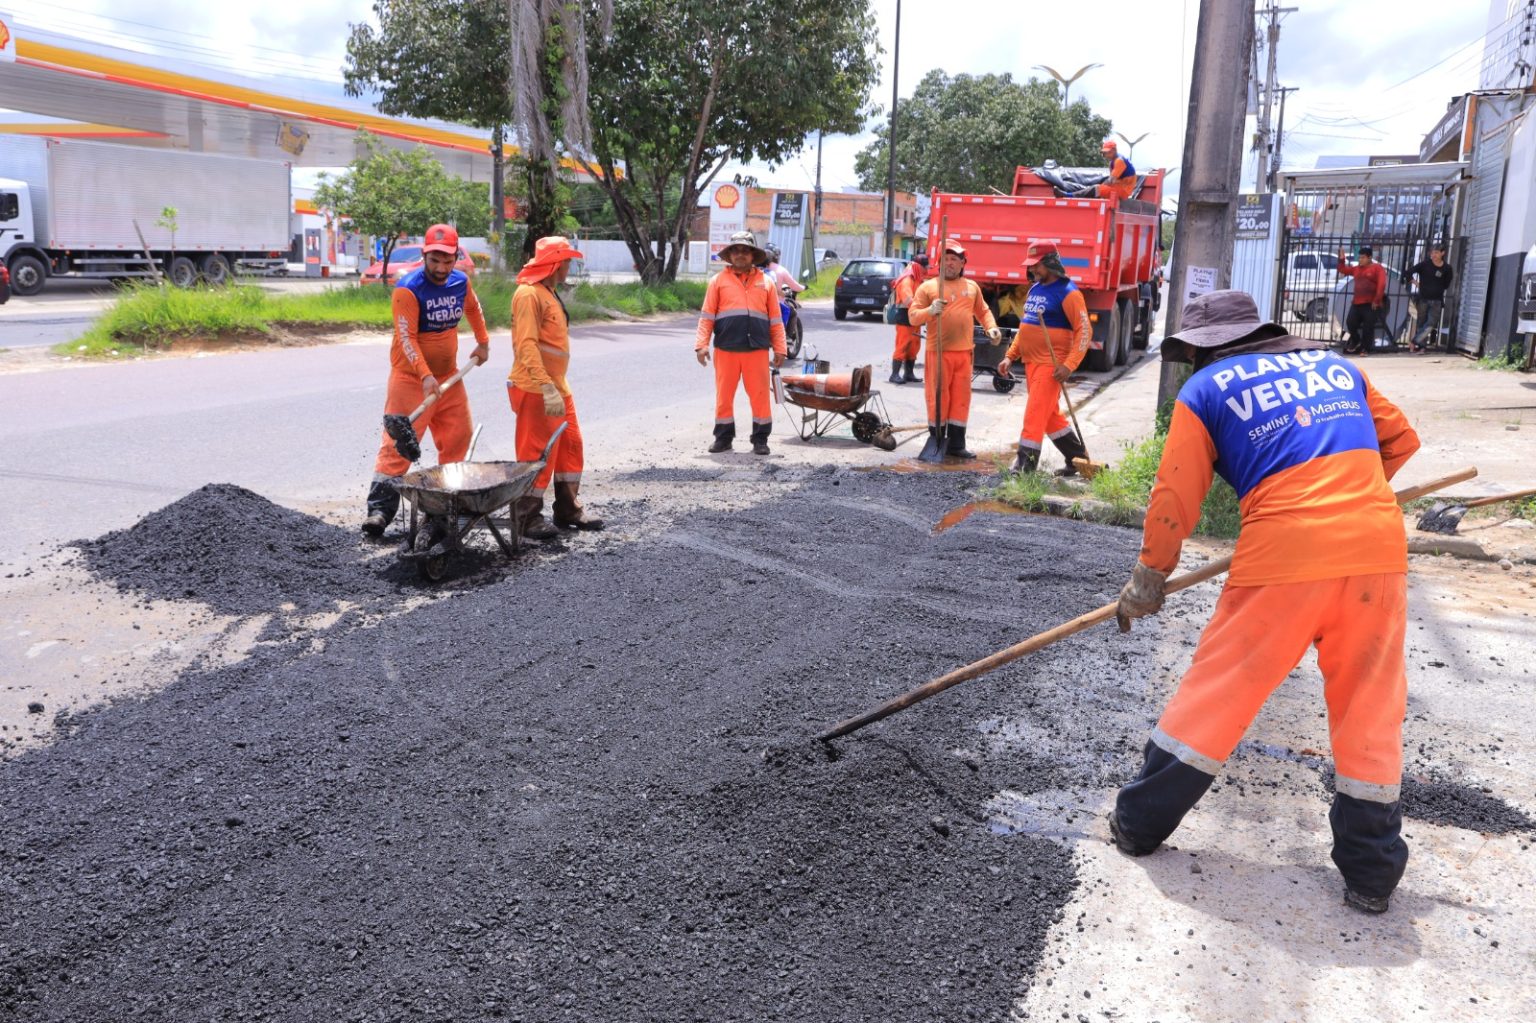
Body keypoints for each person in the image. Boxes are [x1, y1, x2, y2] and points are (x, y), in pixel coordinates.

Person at [1109, 289, 1421, 916]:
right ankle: (1372, 876)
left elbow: (1175, 495)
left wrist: (1150, 576)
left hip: (1283, 556)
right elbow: (1401, 441)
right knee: (1369, 709)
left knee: (1221, 690)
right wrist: (1346, 504)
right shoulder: (1339, 367)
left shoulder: (1204, 390)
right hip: (1378, 551)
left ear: (1207, 349)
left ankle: (1139, 825)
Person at [362, 223, 489, 536]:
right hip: (410, 379)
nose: (441, 268)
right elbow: (407, 338)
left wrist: (483, 342)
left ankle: (442, 508)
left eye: (448, 261)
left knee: (458, 438)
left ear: (455, 257)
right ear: (424, 255)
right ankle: (379, 510)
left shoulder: (460, 282)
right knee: (398, 444)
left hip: (449, 378)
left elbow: (474, 309)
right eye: (435, 260)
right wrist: (424, 375)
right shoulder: (408, 289)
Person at [508, 235, 603, 539]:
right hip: (536, 388)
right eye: (566, 262)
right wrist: (545, 386)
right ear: (555, 263)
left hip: (557, 386)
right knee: (536, 453)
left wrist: (554, 387)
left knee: (571, 445)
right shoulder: (528, 294)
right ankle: (526, 518)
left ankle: (567, 508)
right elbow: (526, 345)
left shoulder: (547, 291)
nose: (569, 267)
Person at [996, 242, 1093, 475]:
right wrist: (1010, 356)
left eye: (1036, 265)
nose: (1032, 269)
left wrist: (1069, 365)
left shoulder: (1069, 292)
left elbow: (1085, 331)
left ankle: (1025, 468)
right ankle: (1077, 458)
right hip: (1031, 363)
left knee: (1035, 413)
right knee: (1049, 417)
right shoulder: (1035, 289)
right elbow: (1026, 327)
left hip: (1051, 365)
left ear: (1050, 263)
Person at [906, 240, 1001, 459]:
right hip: (938, 353)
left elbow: (983, 311)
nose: (950, 263)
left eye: (954, 259)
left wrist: (992, 328)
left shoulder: (972, 287)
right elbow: (913, 317)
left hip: (964, 353)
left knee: (960, 399)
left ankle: (957, 445)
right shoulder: (928, 287)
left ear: (962, 263)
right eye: (946, 259)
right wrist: (930, 310)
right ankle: (938, 441)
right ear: (939, 263)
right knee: (938, 398)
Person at [695, 230, 787, 455]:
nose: (740, 254)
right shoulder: (717, 282)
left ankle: (760, 439)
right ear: (730, 255)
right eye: (736, 250)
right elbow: (707, 317)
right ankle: (723, 438)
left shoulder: (766, 283)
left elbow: (776, 320)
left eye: (745, 250)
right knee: (724, 397)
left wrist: (780, 348)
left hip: (756, 350)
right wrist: (701, 345)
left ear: (753, 255)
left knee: (760, 396)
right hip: (726, 349)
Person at [1337, 245, 1387, 355]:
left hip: (1371, 303)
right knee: (1350, 323)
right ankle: (1356, 341)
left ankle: (1365, 349)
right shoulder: (1357, 269)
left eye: (1363, 257)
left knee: (1368, 326)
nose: (1360, 260)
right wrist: (1342, 259)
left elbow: (1382, 284)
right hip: (1357, 302)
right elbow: (1342, 269)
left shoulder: (1377, 268)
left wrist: (1376, 300)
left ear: (1370, 258)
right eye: (1359, 257)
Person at [888, 253, 928, 384]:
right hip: (905, 317)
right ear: (918, 267)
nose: (926, 270)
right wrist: (923, 311)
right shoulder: (907, 280)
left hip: (915, 317)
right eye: (925, 267)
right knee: (902, 345)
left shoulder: (917, 279)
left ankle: (909, 374)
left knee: (914, 346)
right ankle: (894, 374)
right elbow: (908, 300)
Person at [1407, 244, 1454, 353]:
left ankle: (1414, 341)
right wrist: (1416, 283)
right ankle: (1422, 347)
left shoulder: (1447, 268)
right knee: (1421, 323)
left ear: (1443, 253)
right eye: (1432, 253)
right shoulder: (1425, 264)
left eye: (1436, 252)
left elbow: (1446, 284)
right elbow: (1409, 272)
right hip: (1423, 299)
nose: (1433, 255)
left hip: (1437, 300)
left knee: (1431, 323)